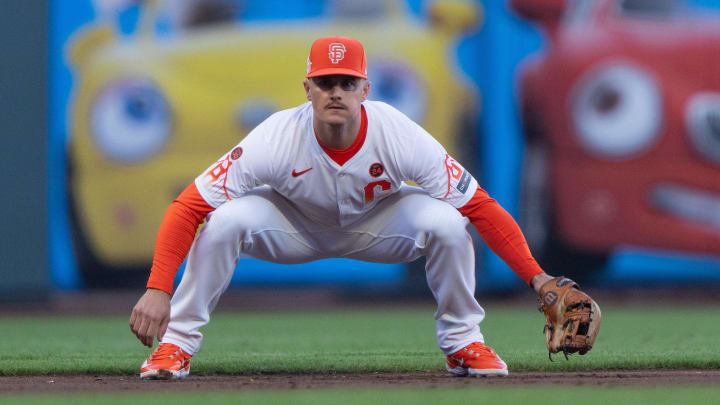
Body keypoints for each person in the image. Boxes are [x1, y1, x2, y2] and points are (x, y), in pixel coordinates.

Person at [129, 35, 553, 380]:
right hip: (292, 225)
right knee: (223, 221)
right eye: (326, 82)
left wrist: (540, 280)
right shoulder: (276, 136)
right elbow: (187, 207)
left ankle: (463, 343)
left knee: (448, 222)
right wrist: (157, 289)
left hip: (378, 225)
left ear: (366, 89)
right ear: (307, 88)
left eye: (347, 83)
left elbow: (480, 206)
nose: (336, 93)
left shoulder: (397, 133)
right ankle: (176, 345)